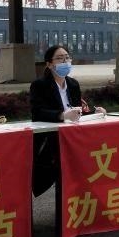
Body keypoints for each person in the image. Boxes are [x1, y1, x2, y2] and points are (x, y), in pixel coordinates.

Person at [29, 45, 106, 196]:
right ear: (49, 64)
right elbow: (37, 113)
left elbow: (77, 113)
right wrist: (61, 115)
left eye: (67, 58)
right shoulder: (39, 85)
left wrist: (95, 113)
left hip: (73, 137)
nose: (65, 62)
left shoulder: (73, 84)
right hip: (52, 138)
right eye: (60, 58)